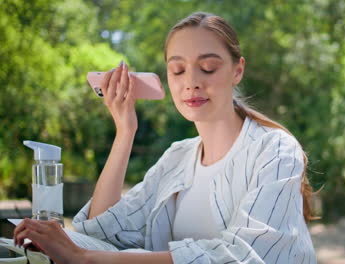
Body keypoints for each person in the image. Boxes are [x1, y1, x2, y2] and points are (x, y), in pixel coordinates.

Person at [13, 12, 317, 264]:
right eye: (178, 70)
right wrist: (124, 132)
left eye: (208, 68)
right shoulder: (177, 157)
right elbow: (100, 231)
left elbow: (243, 256)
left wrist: (83, 258)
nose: (192, 83)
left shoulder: (275, 149)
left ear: (237, 70)